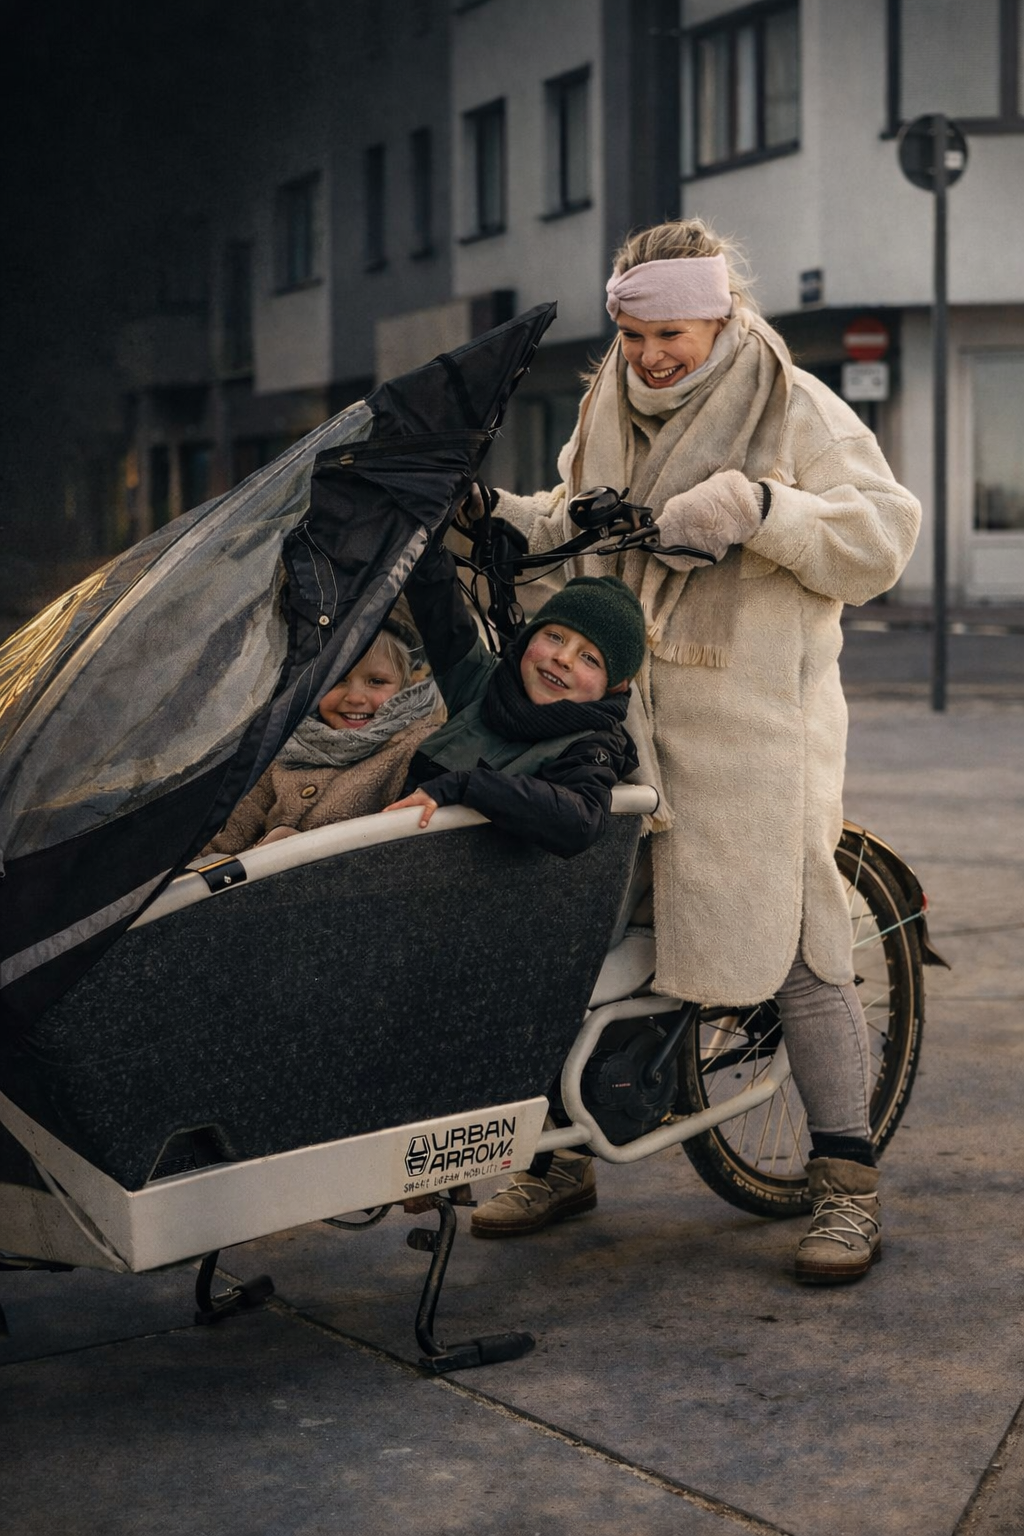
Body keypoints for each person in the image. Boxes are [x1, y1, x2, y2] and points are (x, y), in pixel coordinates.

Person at [464, 218, 922, 1281]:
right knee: (575, 938)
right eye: (632, 336)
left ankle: (847, 1186)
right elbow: (578, 524)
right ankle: (561, 1159)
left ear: (721, 314)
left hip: (758, 732)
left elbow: (881, 537)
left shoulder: (790, 403)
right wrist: (499, 520)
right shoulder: (604, 408)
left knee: (799, 950)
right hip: (622, 727)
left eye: (670, 332)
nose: (651, 356)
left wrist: (764, 508)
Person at [383, 534, 645, 859]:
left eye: (590, 658)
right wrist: (429, 523)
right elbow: (436, 599)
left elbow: (579, 820)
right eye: (554, 636)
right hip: (382, 846)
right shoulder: (483, 679)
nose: (563, 658)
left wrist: (466, 786)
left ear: (616, 686)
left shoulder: (594, 744)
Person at [203, 624, 442, 855]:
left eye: (376, 681)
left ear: (405, 685)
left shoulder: (416, 745)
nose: (356, 698)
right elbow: (236, 828)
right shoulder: (287, 745)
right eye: (338, 679)